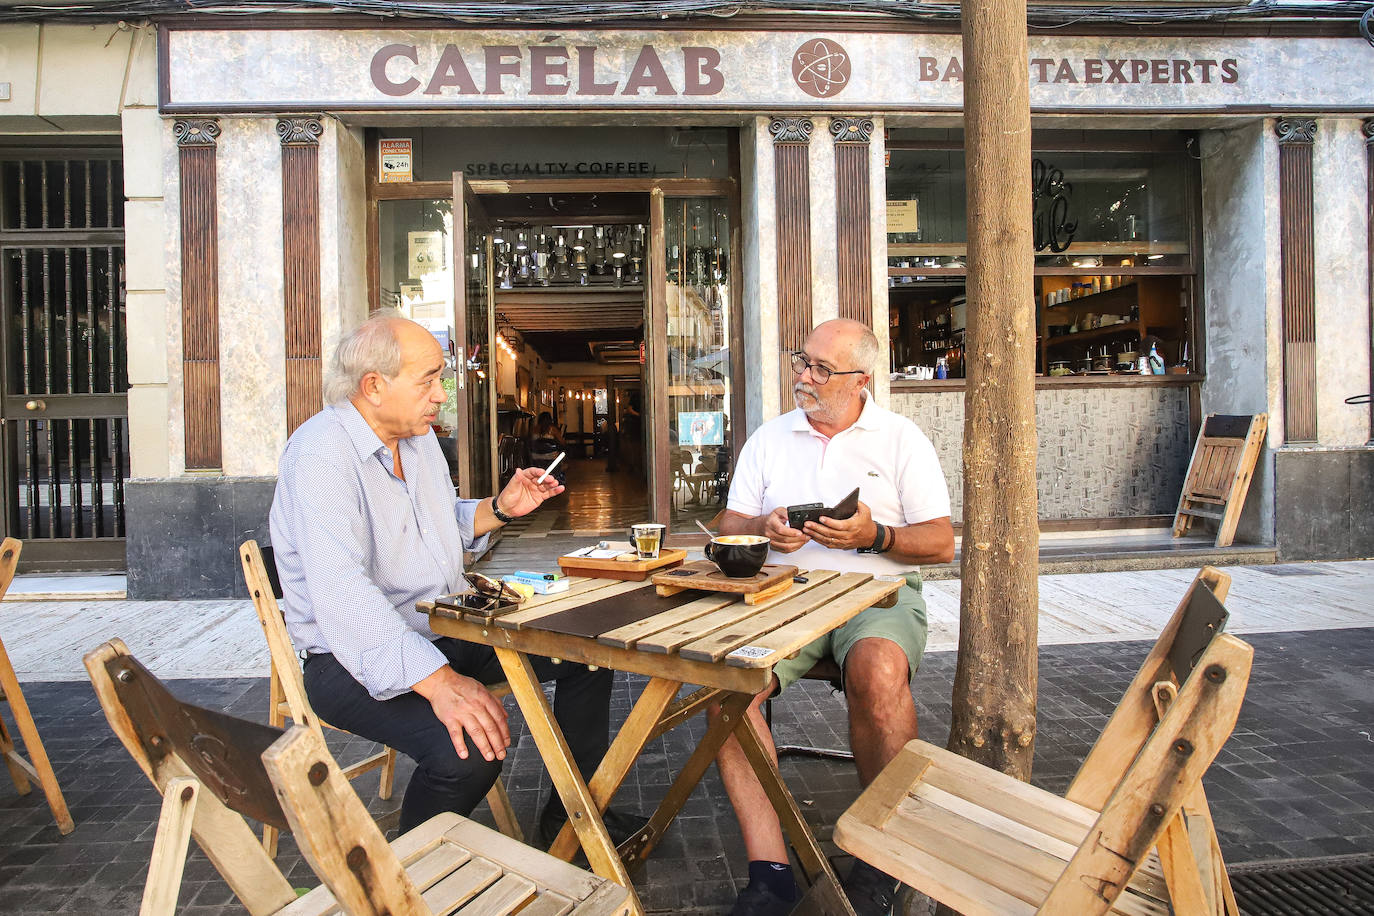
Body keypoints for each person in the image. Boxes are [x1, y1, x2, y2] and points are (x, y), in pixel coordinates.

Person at [269, 310, 643, 846]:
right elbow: (342, 593)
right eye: (428, 380)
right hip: (347, 660)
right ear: (374, 386)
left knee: (586, 652)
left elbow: (444, 523)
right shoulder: (321, 455)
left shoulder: (418, 442)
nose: (441, 395)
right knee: (465, 753)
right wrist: (440, 684)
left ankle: (571, 819)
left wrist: (504, 507)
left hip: (442, 628)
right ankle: (409, 885)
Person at [713, 318, 955, 916]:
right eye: (803, 361)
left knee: (877, 673)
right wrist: (762, 526)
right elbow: (728, 526)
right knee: (726, 693)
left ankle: (882, 858)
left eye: (822, 369)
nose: (805, 376)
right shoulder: (770, 438)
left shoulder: (901, 438)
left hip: (876, 596)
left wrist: (875, 536)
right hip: (784, 594)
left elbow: (942, 542)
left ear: (861, 380)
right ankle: (770, 875)